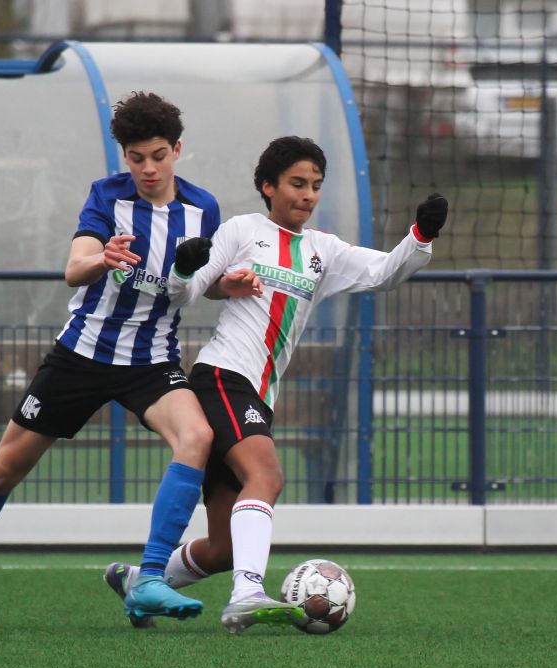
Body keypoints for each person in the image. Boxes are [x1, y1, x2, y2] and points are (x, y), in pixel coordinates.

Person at [0, 91, 224, 628]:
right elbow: (74, 268)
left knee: (196, 437)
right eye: (136, 158)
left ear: (177, 150)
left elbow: (199, 282)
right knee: (3, 470)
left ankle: (150, 577)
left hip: (153, 360)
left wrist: (229, 283)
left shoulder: (204, 210)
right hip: (82, 354)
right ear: (124, 157)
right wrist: (103, 258)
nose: (148, 168)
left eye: (158, 156)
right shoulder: (107, 196)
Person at [105, 136, 447, 633]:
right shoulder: (242, 230)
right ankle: (247, 593)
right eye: (297, 184)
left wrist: (421, 236)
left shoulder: (324, 250)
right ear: (268, 186)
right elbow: (188, 290)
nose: (308, 195)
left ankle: (135, 581)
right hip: (222, 378)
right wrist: (184, 265)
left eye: (316, 186)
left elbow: (384, 273)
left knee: (223, 548)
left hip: (257, 396)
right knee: (266, 476)